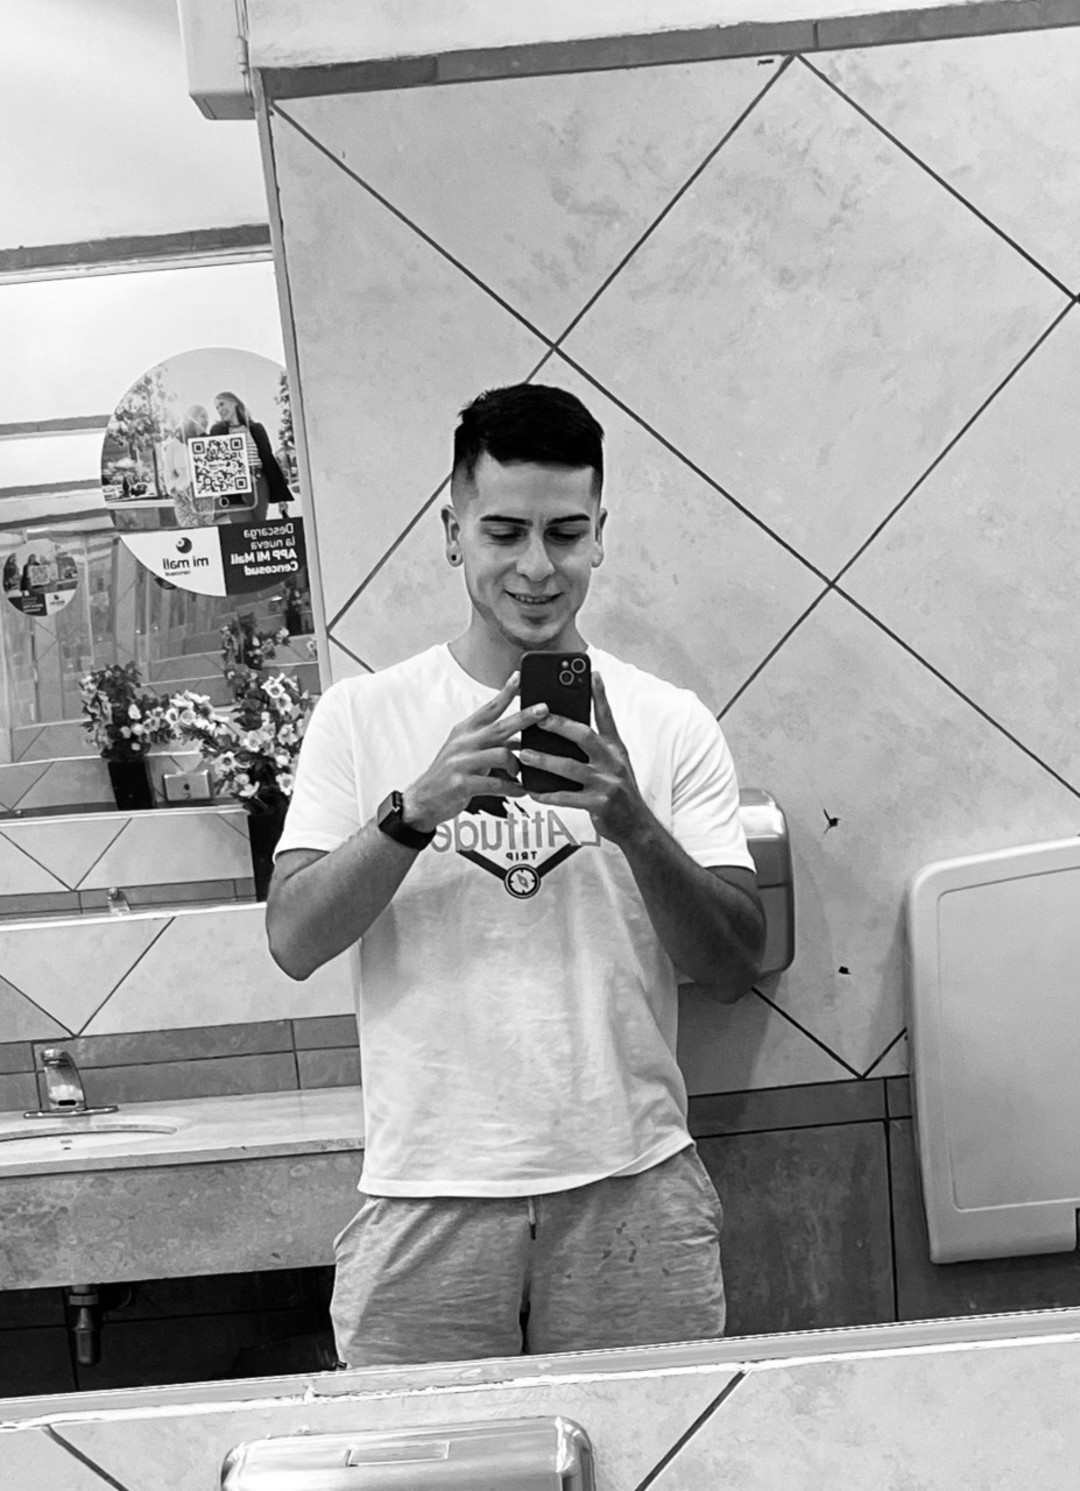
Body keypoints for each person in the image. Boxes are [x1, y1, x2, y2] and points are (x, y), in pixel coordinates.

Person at [267, 383, 766, 1368]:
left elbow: (731, 963)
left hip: (634, 1181)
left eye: (565, 533)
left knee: (656, 1445)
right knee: (423, 1452)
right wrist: (416, 809)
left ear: (599, 535)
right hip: (426, 1191)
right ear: (452, 532)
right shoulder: (361, 718)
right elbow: (292, 939)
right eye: (503, 531)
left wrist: (631, 821)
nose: (537, 567)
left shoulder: (667, 722)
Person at [210, 391, 292, 525]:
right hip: (235, 487)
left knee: (259, 526)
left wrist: (281, 498)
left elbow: (268, 460)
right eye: (217, 407)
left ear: (234, 402)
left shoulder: (256, 429)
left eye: (221, 404)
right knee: (242, 528)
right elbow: (217, 463)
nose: (219, 409)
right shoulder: (218, 431)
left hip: (259, 483)